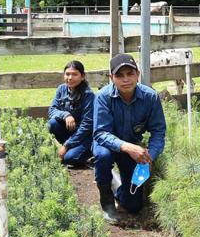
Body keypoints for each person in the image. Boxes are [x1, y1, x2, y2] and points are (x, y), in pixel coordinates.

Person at [93, 54, 166, 223]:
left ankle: (115, 184)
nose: (125, 79)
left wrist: (149, 156)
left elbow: (158, 131)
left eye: (130, 74)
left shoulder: (150, 97)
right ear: (112, 77)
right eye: (119, 75)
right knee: (102, 157)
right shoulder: (103, 97)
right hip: (106, 145)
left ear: (137, 74)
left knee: (133, 206)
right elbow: (100, 133)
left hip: (132, 148)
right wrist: (127, 147)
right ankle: (107, 202)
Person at [47, 60, 95, 167]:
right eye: (67, 74)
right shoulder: (61, 89)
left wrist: (66, 146)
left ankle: (90, 153)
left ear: (82, 76)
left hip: (86, 135)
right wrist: (66, 115)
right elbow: (52, 110)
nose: (70, 78)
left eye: (74, 74)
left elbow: (87, 126)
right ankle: (71, 149)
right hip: (70, 131)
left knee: (70, 158)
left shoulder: (88, 95)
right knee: (52, 123)